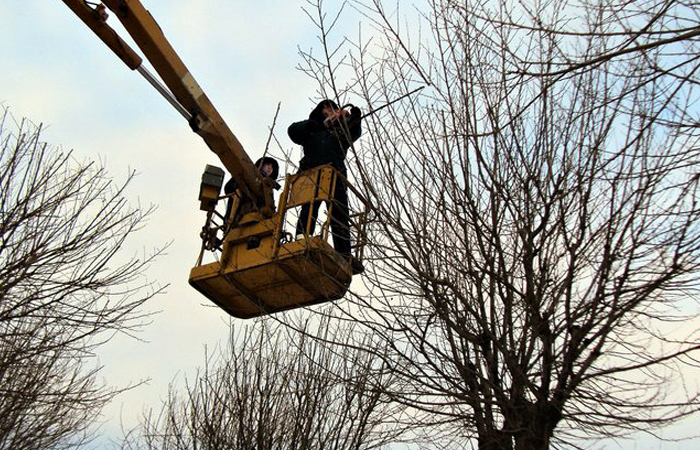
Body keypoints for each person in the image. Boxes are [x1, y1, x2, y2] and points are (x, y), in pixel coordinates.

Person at [287, 99, 363, 273]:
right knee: (309, 206)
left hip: (335, 172)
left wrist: (355, 118)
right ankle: (301, 237)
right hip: (312, 172)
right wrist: (318, 125)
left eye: (333, 108)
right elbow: (292, 131)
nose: (330, 110)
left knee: (340, 213)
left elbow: (353, 134)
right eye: (326, 107)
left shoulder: (340, 131)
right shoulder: (312, 129)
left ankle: (344, 253)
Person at [223, 156, 279, 227]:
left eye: (272, 167)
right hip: (236, 217)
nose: (270, 168)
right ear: (261, 165)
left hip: (259, 221)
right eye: (267, 164)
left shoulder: (267, 188)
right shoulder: (245, 175)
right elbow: (228, 188)